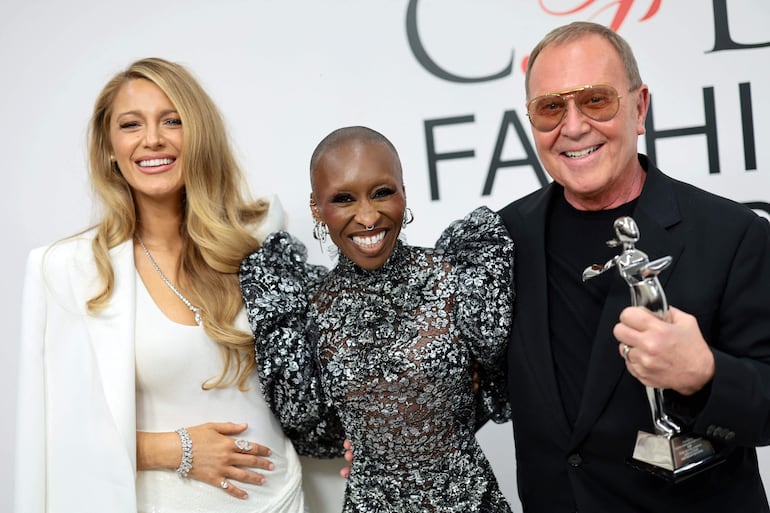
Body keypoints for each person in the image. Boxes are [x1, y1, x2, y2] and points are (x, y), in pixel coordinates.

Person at [497, 21, 770, 512]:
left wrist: (705, 374)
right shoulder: (502, 239)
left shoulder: (732, 234)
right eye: (551, 107)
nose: (574, 126)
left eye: (596, 100)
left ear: (639, 107)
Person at [14, 57, 306, 513]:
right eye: (131, 124)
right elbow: (50, 436)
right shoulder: (68, 270)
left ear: (198, 134)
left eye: (173, 120)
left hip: (284, 500)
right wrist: (176, 449)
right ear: (109, 146)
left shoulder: (258, 236)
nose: (153, 139)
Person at [239, 126, 515, 512]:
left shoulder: (456, 275)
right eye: (343, 199)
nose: (368, 216)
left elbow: (502, 381)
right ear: (317, 208)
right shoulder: (309, 310)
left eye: (382, 192)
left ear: (404, 191)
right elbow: (310, 425)